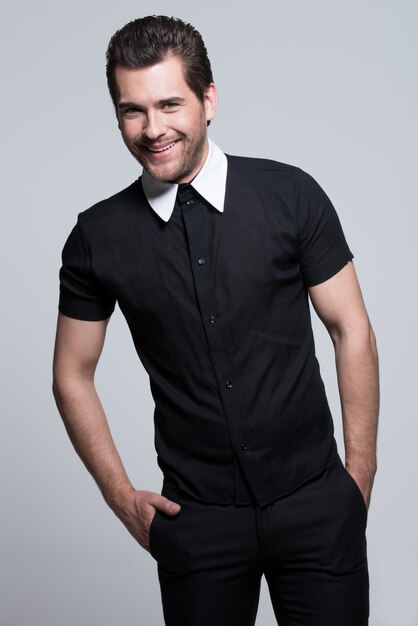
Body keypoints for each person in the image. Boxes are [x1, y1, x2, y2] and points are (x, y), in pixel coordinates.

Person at [52, 15, 379, 626]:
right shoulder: (97, 237)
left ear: (209, 100)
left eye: (170, 103)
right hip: (197, 523)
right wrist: (121, 497)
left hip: (316, 504)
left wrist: (358, 475)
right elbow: (71, 372)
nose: (153, 130)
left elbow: (350, 327)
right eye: (132, 110)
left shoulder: (291, 195)